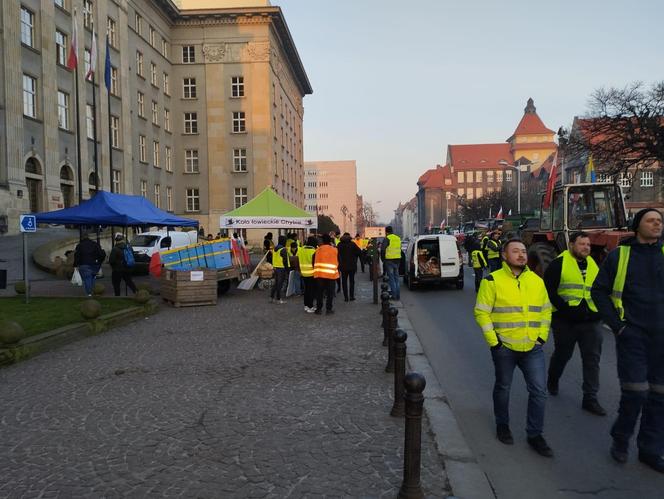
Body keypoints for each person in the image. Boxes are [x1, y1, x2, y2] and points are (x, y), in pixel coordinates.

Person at [591, 208, 664, 472]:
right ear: (637, 226)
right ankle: (620, 439)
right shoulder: (620, 256)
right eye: (651, 220)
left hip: (661, 338)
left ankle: (650, 449)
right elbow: (599, 292)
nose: (657, 224)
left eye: (660, 221)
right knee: (636, 393)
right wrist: (619, 327)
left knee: (659, 396)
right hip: (633, 336)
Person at [474, 239, 554, 457]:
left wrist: (542, 336)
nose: (521, 255)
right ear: (504, 256)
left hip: (532, 347)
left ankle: (535, 435)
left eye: (523, 251)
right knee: (503, 388)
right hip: (505, 348)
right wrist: (495, 342)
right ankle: (503, 425)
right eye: (515, 251)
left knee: (539, 391)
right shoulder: (492, 280)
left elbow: (546, 310)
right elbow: (481, 312)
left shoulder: (536, 281)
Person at [543, 231, 606, 415]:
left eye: (588, 244)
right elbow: (550, 292)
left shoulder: (593, 264)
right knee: (563, 354)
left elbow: (599, 289)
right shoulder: (558, 264)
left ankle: (590, 398)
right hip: (565, 321)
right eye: (582, 244)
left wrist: (600, 312)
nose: (586, 247)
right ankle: (553, 379)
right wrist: (567, 310)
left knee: (592, 359)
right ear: (571, 245)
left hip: (591, 321)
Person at [74, 231, 106, 297]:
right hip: (94, 264)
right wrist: (99, 262)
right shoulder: (95, 244)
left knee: (87, 279)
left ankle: (89, 293)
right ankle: (93, 291)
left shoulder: (80, 245)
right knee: (92, 277)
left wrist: (75, 265)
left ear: (82, 238)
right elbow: (101, 254)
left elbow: (77, 256)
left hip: (84, 264)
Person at [313, 234, 339, 315]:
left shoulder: (318, 250)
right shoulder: (335, 250)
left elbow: (313, 261)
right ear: (330, 241)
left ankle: (319, 309)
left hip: (320, 275)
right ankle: (329, 309)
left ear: (323, 241)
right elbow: (339, 260)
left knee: (319, 293)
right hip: (331, 275)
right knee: (330, 293)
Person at [337, 232, 361, 302]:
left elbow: (336, 254)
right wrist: (355, 256)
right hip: (352, 266)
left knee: (344, 281)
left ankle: (346, 297)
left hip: (343, 266)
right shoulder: (352, 244)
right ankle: (351, 296)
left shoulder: (339, 245)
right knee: (352, 281)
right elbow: (359, 252)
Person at [298, 236, 318, 313]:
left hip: (303, 273)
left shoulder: (301, 249)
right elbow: (314, 263)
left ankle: (306, 305)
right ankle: (310, 306)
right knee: (311, 291)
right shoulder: (314, 251)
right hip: (311, 273)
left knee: (306, 290)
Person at [382, 226, 402, 300]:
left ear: (386, 232)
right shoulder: (398, 238)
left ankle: (394, 295)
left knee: (392, 278)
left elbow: (383, 250)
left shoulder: (387, 238)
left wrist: (383, 259)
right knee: (397, 278)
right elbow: (400, 248)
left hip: (389, 260)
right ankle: (398, 296)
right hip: (397, 260)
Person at [270, 235, 290, 304]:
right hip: (281, 268)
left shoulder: (275, 248)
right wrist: (288, 269)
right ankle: (278, 299)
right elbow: (285, 261)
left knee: (276, 284)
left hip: (275, 268)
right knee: (279, 284)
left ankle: (272, 297)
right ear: (283, 241)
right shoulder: (283, 249)